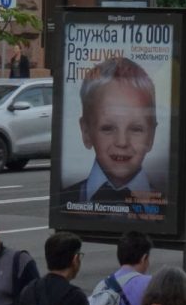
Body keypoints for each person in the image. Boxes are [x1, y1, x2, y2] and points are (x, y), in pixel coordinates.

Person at [60, 57, 162, 210]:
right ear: (86, 132)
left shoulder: (168, 205)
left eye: (135, 129)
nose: (122, 142)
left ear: (151, 136)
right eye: (107, 128)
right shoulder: (64, 201)